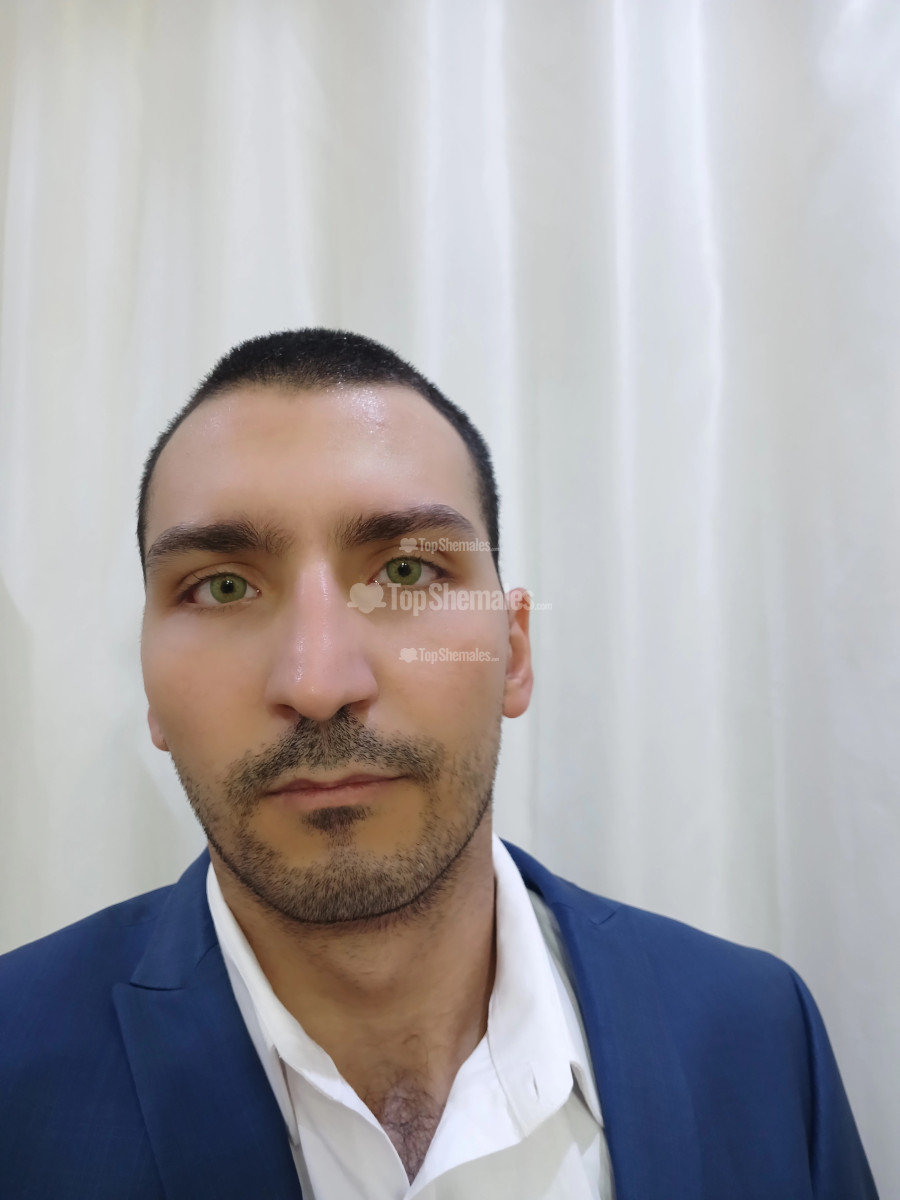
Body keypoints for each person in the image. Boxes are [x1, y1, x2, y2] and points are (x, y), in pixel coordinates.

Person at [0, 329, 878, 1200]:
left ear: (514, 654)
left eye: (407, 571)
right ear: (150, 688)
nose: (318, 683)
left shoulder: (760, 1036)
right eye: (224, 586)